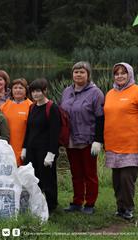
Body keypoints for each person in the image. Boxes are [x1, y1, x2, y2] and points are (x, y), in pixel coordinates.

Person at [104, 62, 138, 220]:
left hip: (132, 144)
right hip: (113, 144)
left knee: (127, 179)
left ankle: (128, 208)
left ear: (129, 74)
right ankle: (120, 207)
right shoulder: (110, 93)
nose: (120, 76)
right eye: (117, 73)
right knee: (117, 180)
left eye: (123, 73)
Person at [60, 61, 104, 214]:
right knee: (76, 173)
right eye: (76, 72)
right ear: (72, 74)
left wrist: (98, 140)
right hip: (71, 140)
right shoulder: (66, 91)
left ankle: (90, 204)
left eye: (82, 72)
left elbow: (100, 118)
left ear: (88, 74)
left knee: (89, 173)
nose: (78, 74)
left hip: (88, 140)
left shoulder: (96, 93)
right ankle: (77, 202)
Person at [21, 78, 61, 213]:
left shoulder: (52, 108)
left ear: (45, 91)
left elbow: (55, 133)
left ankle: (51, 206)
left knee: (48, 179)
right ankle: (36, 204)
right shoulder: (32, 107)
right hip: (32, 149)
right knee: (33, 177)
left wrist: (51, 153)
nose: (35, 95)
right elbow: (29, 130)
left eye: (38, 91)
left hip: (45, 151)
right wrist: (24, 147)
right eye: (33, 92)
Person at [0, 78, 32, 166]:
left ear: (26, 90)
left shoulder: (31, 106)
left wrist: (26, 148)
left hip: (24, 147)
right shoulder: (4, 106)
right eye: (15, 88)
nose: (18, 90)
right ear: (11, 90)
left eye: (21, 88)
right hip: (6, 146)